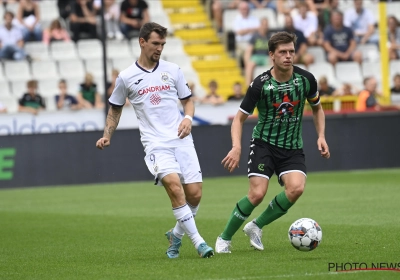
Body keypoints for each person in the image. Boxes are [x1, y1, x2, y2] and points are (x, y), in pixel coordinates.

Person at [95, 22, 214, 259]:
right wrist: (107, 135)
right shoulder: (126, 77)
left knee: (195, 194)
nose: (159, 48)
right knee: (173, 186)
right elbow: (115, 109)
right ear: (142, 42)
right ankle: (199, 242)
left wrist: (188, 118)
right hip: (155, 144)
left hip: (181, 139)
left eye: (162, 44)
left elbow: (188, 100)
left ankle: (175, 235)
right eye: (155, 43)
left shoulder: (173, 70)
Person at [215, 31, 330, 253]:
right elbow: (238, 119)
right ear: (272, 55)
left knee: (296, 189)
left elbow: (317, 108)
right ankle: (224, 238)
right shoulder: (260, 85)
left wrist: (321, 136)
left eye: (291, 51)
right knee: (257, 194)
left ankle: (256, 226)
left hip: (292, 147)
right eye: (283, 52)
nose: (288, 56)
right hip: (264, 144)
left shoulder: (306, 79)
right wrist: (236, 147)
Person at [244, 18, 270, 86]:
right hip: (256, 57)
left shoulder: (270, 37)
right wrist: (247, 62)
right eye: (264, 24)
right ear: (260, 25)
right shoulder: (255, 36)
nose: (265, 26)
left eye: (266, 25)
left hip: (266, 57)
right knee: (250, 65)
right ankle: (248, 87)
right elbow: (249, 50)